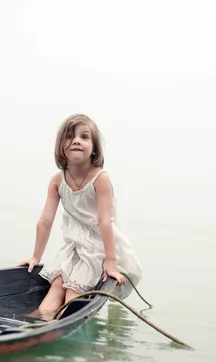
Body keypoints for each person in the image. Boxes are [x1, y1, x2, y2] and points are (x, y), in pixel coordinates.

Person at [20, 113, 143, 317]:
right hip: (75, 245)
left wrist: (110, 263)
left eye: (84, 137)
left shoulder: (100, 179)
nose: (76, 140)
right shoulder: (57, 181)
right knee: (58, 283)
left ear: (94, 148)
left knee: (74, 290)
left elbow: (105, 221)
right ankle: (36, 322)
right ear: (61, 146)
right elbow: (45, 221)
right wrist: (36, 256)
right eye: (70, 136)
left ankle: (63, 320)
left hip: (100, 246)